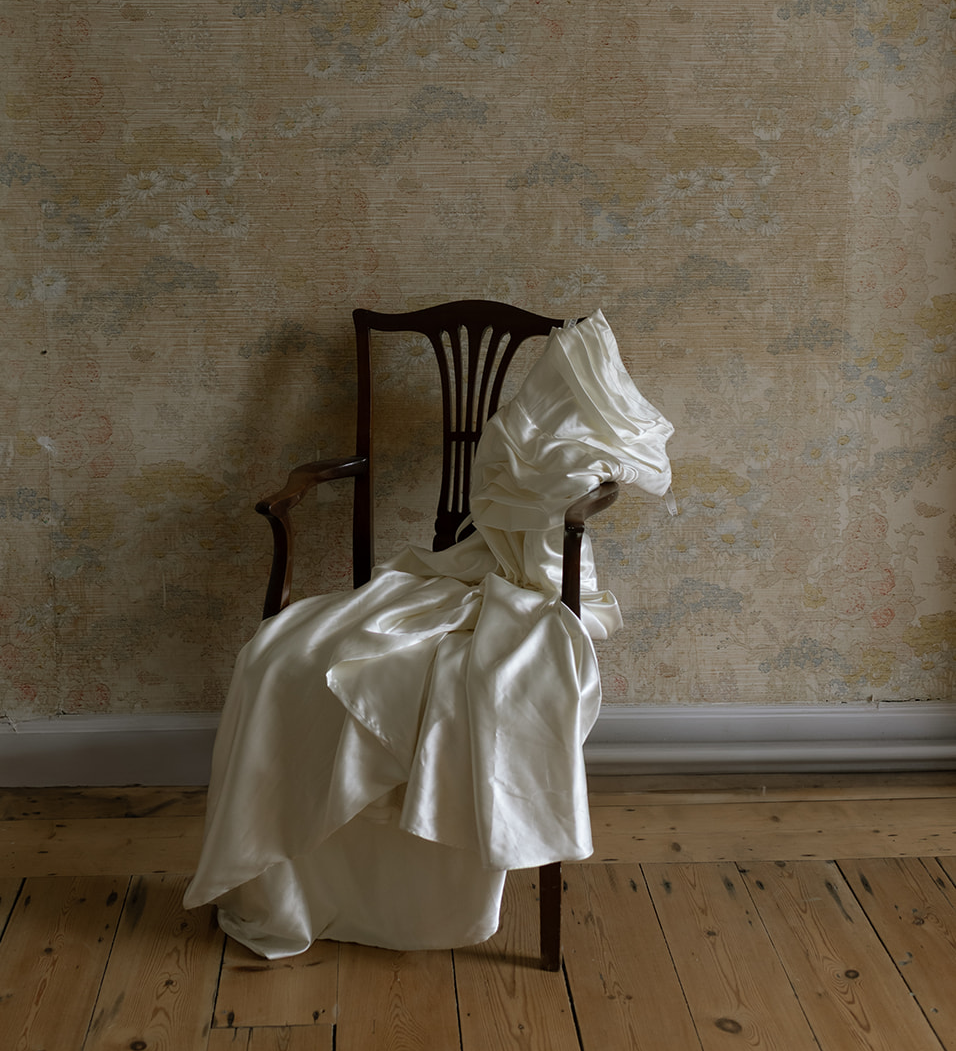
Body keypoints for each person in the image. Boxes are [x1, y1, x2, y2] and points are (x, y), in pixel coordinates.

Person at [184, 306, 674, 956]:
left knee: (494, 681)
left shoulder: (536, 432)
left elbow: (576, 484)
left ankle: (409, 904)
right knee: (274, 660)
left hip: (498, 587)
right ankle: (298, 892)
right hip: (427, 581)